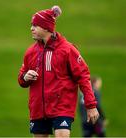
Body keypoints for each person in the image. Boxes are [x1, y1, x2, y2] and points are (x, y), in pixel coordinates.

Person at [18, 5, 99, 138]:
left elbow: (83, 76)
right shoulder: (30, 52)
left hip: (62, 108)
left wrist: (91, 105)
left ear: (46, 28)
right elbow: (21, 80)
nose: (31, 28)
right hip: (38, 109)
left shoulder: (67, 50)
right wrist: (25, 77)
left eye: (35, 25)